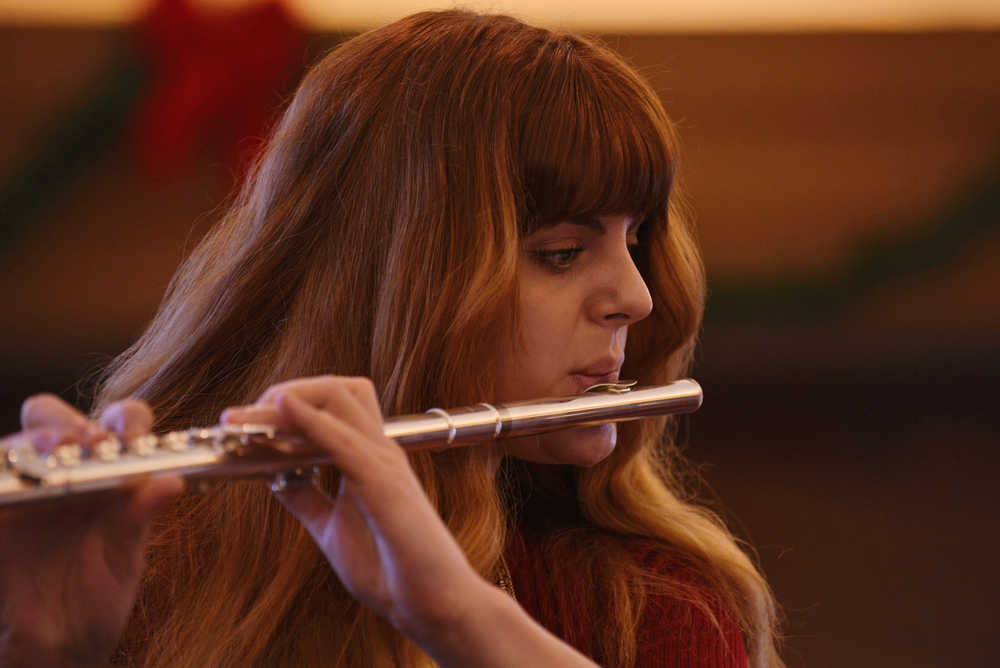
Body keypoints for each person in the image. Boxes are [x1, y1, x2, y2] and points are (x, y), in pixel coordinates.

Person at [0, 10, 782, 667]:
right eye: (561, 254)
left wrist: (455, 615)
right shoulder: (158, 567)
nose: (637, 298)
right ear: (395, 275)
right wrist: (53, 657)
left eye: (637, 240)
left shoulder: (650, 603)